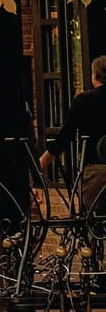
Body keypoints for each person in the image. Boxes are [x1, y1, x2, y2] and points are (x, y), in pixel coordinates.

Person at [40, 55, 106, 214]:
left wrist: (46, 158)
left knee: (94, 222)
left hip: (96, 172)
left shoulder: (84, 100)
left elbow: (65, 135)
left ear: (94, 76)